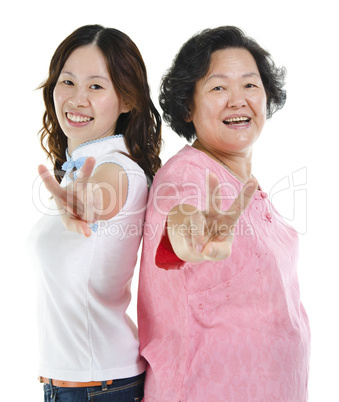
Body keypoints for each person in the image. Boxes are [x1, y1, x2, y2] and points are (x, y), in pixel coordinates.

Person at [138, 26, 310, 401]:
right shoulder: (188, 174)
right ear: (188, 105)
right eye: (218, 88)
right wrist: (191, 236)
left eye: (250, 85)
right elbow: (182, 221)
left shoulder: (242, 182)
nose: (238, 100)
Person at [29, 24, 161, 401]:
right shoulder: (80, 167)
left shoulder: (117, 169)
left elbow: (102, 196)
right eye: (67, 82)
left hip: (99, 387)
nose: (77, 98)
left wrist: (86, 204)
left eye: (97, 86)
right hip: (77, 383)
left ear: (127, 100)